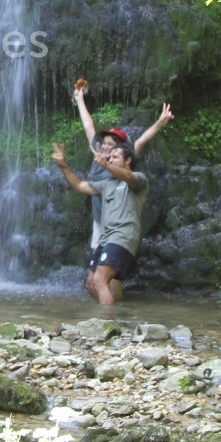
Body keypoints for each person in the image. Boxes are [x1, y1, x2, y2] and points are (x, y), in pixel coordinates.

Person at [73, 85, 173, 247]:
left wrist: (160, 122)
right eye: (104, 143)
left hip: (117, 223)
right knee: (97, 259)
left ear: (119, 149)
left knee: (109, 264)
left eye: (110, 144)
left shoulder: (121, 160)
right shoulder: (97, 154)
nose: (105, 146)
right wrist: (79, 99)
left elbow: (140, 141)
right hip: (99, 219)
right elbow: (88, 126)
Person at [51, 139, 148, 305]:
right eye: (109, 158)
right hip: (106, 239)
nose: (110, 159)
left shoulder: (139, 178)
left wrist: (106, 165)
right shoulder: (107, 184)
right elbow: (80, 186)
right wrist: (63, 166)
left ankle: (105, 324)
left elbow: (129, 178)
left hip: (123, 236)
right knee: (90, 284)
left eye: (114, 157)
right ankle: (114, 314)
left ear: (128, 160)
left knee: (99, 280)